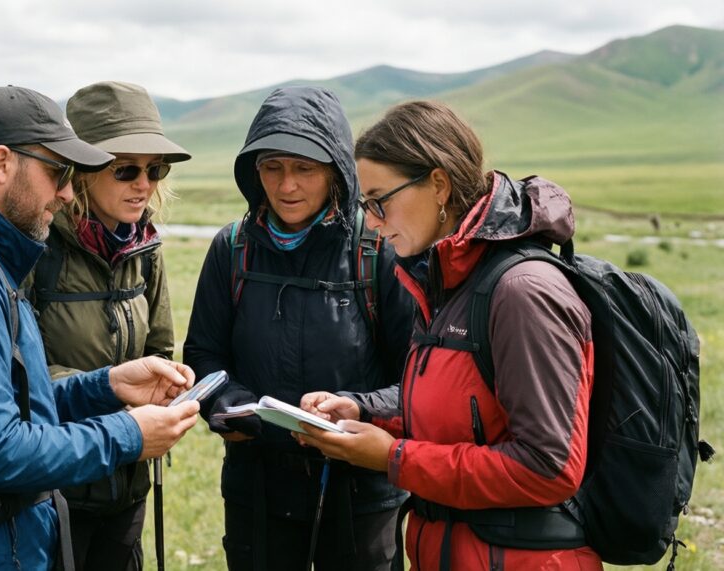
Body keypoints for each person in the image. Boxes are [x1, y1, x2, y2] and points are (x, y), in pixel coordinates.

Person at [0, 85, 201, 570]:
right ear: (2, 163)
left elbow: (19, 407)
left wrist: (106, 386)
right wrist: (127, 434)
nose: (68, 192)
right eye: (58, 171)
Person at [295, 100, 602, 570]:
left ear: (438, 184)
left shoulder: (522, 293)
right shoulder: (442, 280)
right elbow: (455, 409)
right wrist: (363, 412)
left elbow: (549, 467)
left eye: (379, 201)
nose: (371, 222)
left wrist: (394, 459)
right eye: (363, 205)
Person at [183, 86, 414, 571]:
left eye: (304, 168)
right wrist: (227, 408)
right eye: (273, 167)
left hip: (361, 493)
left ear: (335, 170)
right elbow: (204, 355)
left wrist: (360, 408)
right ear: (254, 171)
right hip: (257, 489)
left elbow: (419, 379)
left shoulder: (376, 251)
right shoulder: (232, 248)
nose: (287, 185)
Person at [25, 81, 191, 570]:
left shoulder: (146, 250)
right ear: (80, 170)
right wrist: (114, 398)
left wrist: (168, 389)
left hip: (130, 479)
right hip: (56, 483)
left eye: (154, 170)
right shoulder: (36, 251)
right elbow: (22, 378)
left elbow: (161, 347)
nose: (144, 184)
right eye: (125, 169)